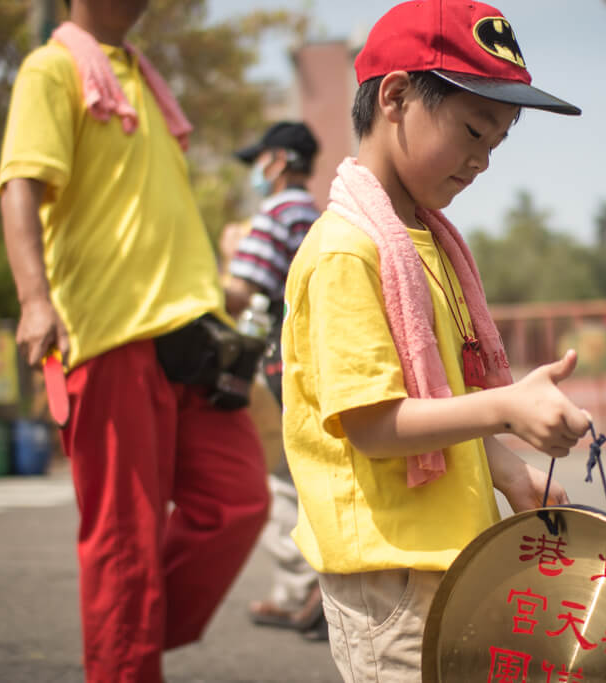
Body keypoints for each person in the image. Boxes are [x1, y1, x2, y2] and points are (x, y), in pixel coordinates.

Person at [280, 1, 592, 680]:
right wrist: (506, 406)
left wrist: (506, 467)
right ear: (395, 96)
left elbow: (439, 398)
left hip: (449, 559)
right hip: (390, 573)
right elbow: (374, 422)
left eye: (497, 142)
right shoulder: (347, 251)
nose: (482, 159)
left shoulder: (425, 242)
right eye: (473, 130)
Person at [0, 1, 269, 681]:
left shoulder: (140, 78)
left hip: (192, 337)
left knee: (239, 501)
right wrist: (35, 300)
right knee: (125, 544)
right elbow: (19, 183)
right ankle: (124, 649)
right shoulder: (52, 68)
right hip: (109, 338)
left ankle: (124, 638)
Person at [225, 122, 327, 639]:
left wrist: (222, 262)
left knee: (280, 479)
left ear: (280, 160)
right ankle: (316, 589)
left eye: (260, 161)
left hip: (280, 363)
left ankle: (304, 590)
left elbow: (240, 293)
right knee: (315, 472)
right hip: (322, 362)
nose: (257, 173)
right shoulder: (320, 214)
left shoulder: (274, 215)